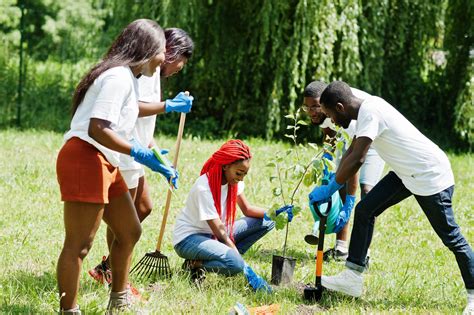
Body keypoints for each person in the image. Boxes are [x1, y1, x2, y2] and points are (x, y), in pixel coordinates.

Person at [308, 81, 473, 314]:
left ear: (340, 106)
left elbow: (358, 159)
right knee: (366, 210)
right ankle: (352, 277)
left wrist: (332, 187)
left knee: (452, 237)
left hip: (429, 175)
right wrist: (332, 182)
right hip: (405, 172)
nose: (332, 122)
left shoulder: (371, 112)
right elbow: (351, 152)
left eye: (331, 115)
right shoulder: (363, 112)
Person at [55, 19, 185, 314]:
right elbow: (97, 128)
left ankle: (119, 299)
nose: (165, 58)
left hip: (105, 161)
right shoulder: (116, 77)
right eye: (162, 51)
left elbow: (124, 124)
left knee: (129, 231)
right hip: (86, 158)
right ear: (148, 49)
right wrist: (138, 152)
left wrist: (150, 153)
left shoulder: (128, 77)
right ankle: (69, 311)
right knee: (79, 245)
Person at [88, 27, 194, 287]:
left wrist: (157, 153)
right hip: (126, 151)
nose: (180, 69)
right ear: (170, 52)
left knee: (143, 208)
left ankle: (109, 266)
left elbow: (144, 122)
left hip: (138, 147)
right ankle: (113, 273)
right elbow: (134, 109)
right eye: (181, 62)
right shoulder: (147, 70)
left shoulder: (154, 73)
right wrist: (169, 105)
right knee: (127, 223)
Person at [172, 140, 292, 288]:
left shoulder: (233, 182)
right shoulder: (204, 187)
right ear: (225, 165)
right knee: (235, 264)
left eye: (244, 174)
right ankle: (195, 264)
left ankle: (212, 259)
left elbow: (247, 209)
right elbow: (221, 233)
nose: (241, 178)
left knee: (267, 221)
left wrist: (275, 213)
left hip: (214, 235)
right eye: (239, 173)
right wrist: (245, 267)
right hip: (189, 239)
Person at [302, 81, 385, 262]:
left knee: (366, 193)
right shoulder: (324, 110)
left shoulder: (344, 112)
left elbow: (354, 163)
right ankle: (341, 249)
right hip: (351, 143)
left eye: (316, 106)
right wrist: (327, 165)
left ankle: (363, 252)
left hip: (374, 142)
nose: (312, 112)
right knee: (338, 183)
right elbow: (329, 135)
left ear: (326, 102)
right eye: (307, 107)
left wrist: (349, 203)